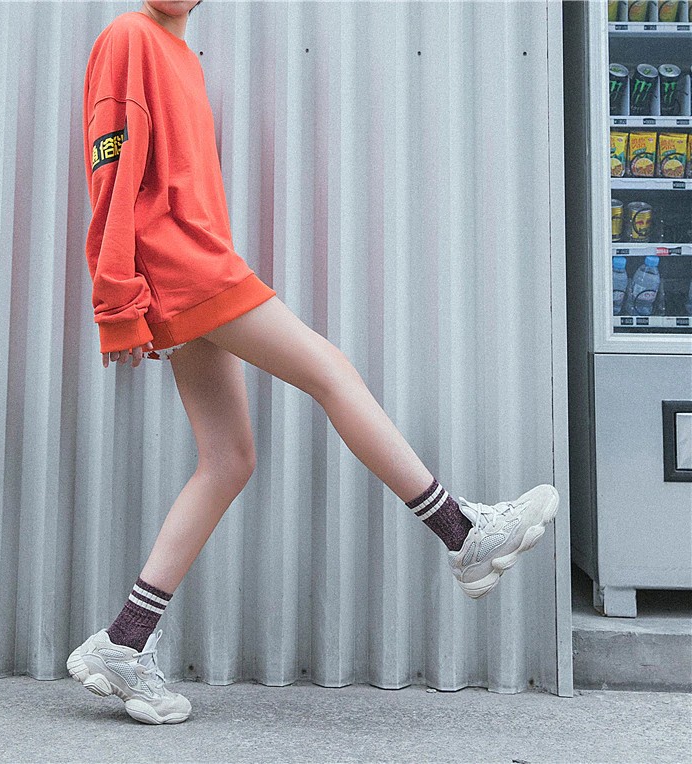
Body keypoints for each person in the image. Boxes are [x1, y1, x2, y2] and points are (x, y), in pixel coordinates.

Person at [67, 0, 560, 725]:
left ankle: (125, 641)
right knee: (331, 371)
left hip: (195, 263)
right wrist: (118, 300)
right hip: (186, 269)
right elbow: (109, 169)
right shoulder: (129, 38)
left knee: (228, 459)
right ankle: (461, 532)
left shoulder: (179, 56)